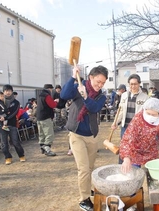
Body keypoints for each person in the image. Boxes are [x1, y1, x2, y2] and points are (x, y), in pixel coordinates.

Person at [60, 65, 108, 211]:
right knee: (84, 169)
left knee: (90, 167)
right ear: (91, 77)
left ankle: (87, 188)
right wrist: (73, 76)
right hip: (76, 135)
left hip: (91, 136)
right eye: (98, 81)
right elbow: (63, 95)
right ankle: (84, 199)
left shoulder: (101, 96)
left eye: (103, 83)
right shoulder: (78, 88)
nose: (100, 85)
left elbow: (94, 108)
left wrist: (86, 96)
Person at [120, 98, 159, 174]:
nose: (150, 116)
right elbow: (128, 137)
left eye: (153, 115)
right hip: (135, 150)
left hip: (151, 149)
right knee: (134, 175)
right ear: (145, 109)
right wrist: (126, 158)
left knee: (153, 174)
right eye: (148, 113)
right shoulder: (138, 118)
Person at [111, 74, 149, 164]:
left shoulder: (145, 97)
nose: (133, 86)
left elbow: (146, 114)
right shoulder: (124, 95)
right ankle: (121, 167)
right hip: (125, 126)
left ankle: (135, 168)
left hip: (137, 129)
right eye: (131, 84)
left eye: (135, 84)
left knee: (135, 148)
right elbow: (120, 111)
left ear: (139, 84)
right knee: (124, 147)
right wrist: (115, 122)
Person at [0, 84, 25, 165]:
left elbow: (14, 113)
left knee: (15, 141)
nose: (7, 92)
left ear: (12, 91)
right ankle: (8, 157)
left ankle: (21, 155)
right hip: (1, 125)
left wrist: (5, 118)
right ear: (3, 92)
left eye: (9, 91)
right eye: (6, 91)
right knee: (4, 143)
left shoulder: (16, 102)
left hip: (12, 124)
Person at [36, 84, 58, 156]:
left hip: (39, 117)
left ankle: (42, 148)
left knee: (41, 134)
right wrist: (56, 101)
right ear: (49, 89)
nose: (52, 91)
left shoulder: (39, 96)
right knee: (49, 134)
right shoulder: (47, 96)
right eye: (51, 89)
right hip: (46, 117)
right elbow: (52, 105)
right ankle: (47, 149)